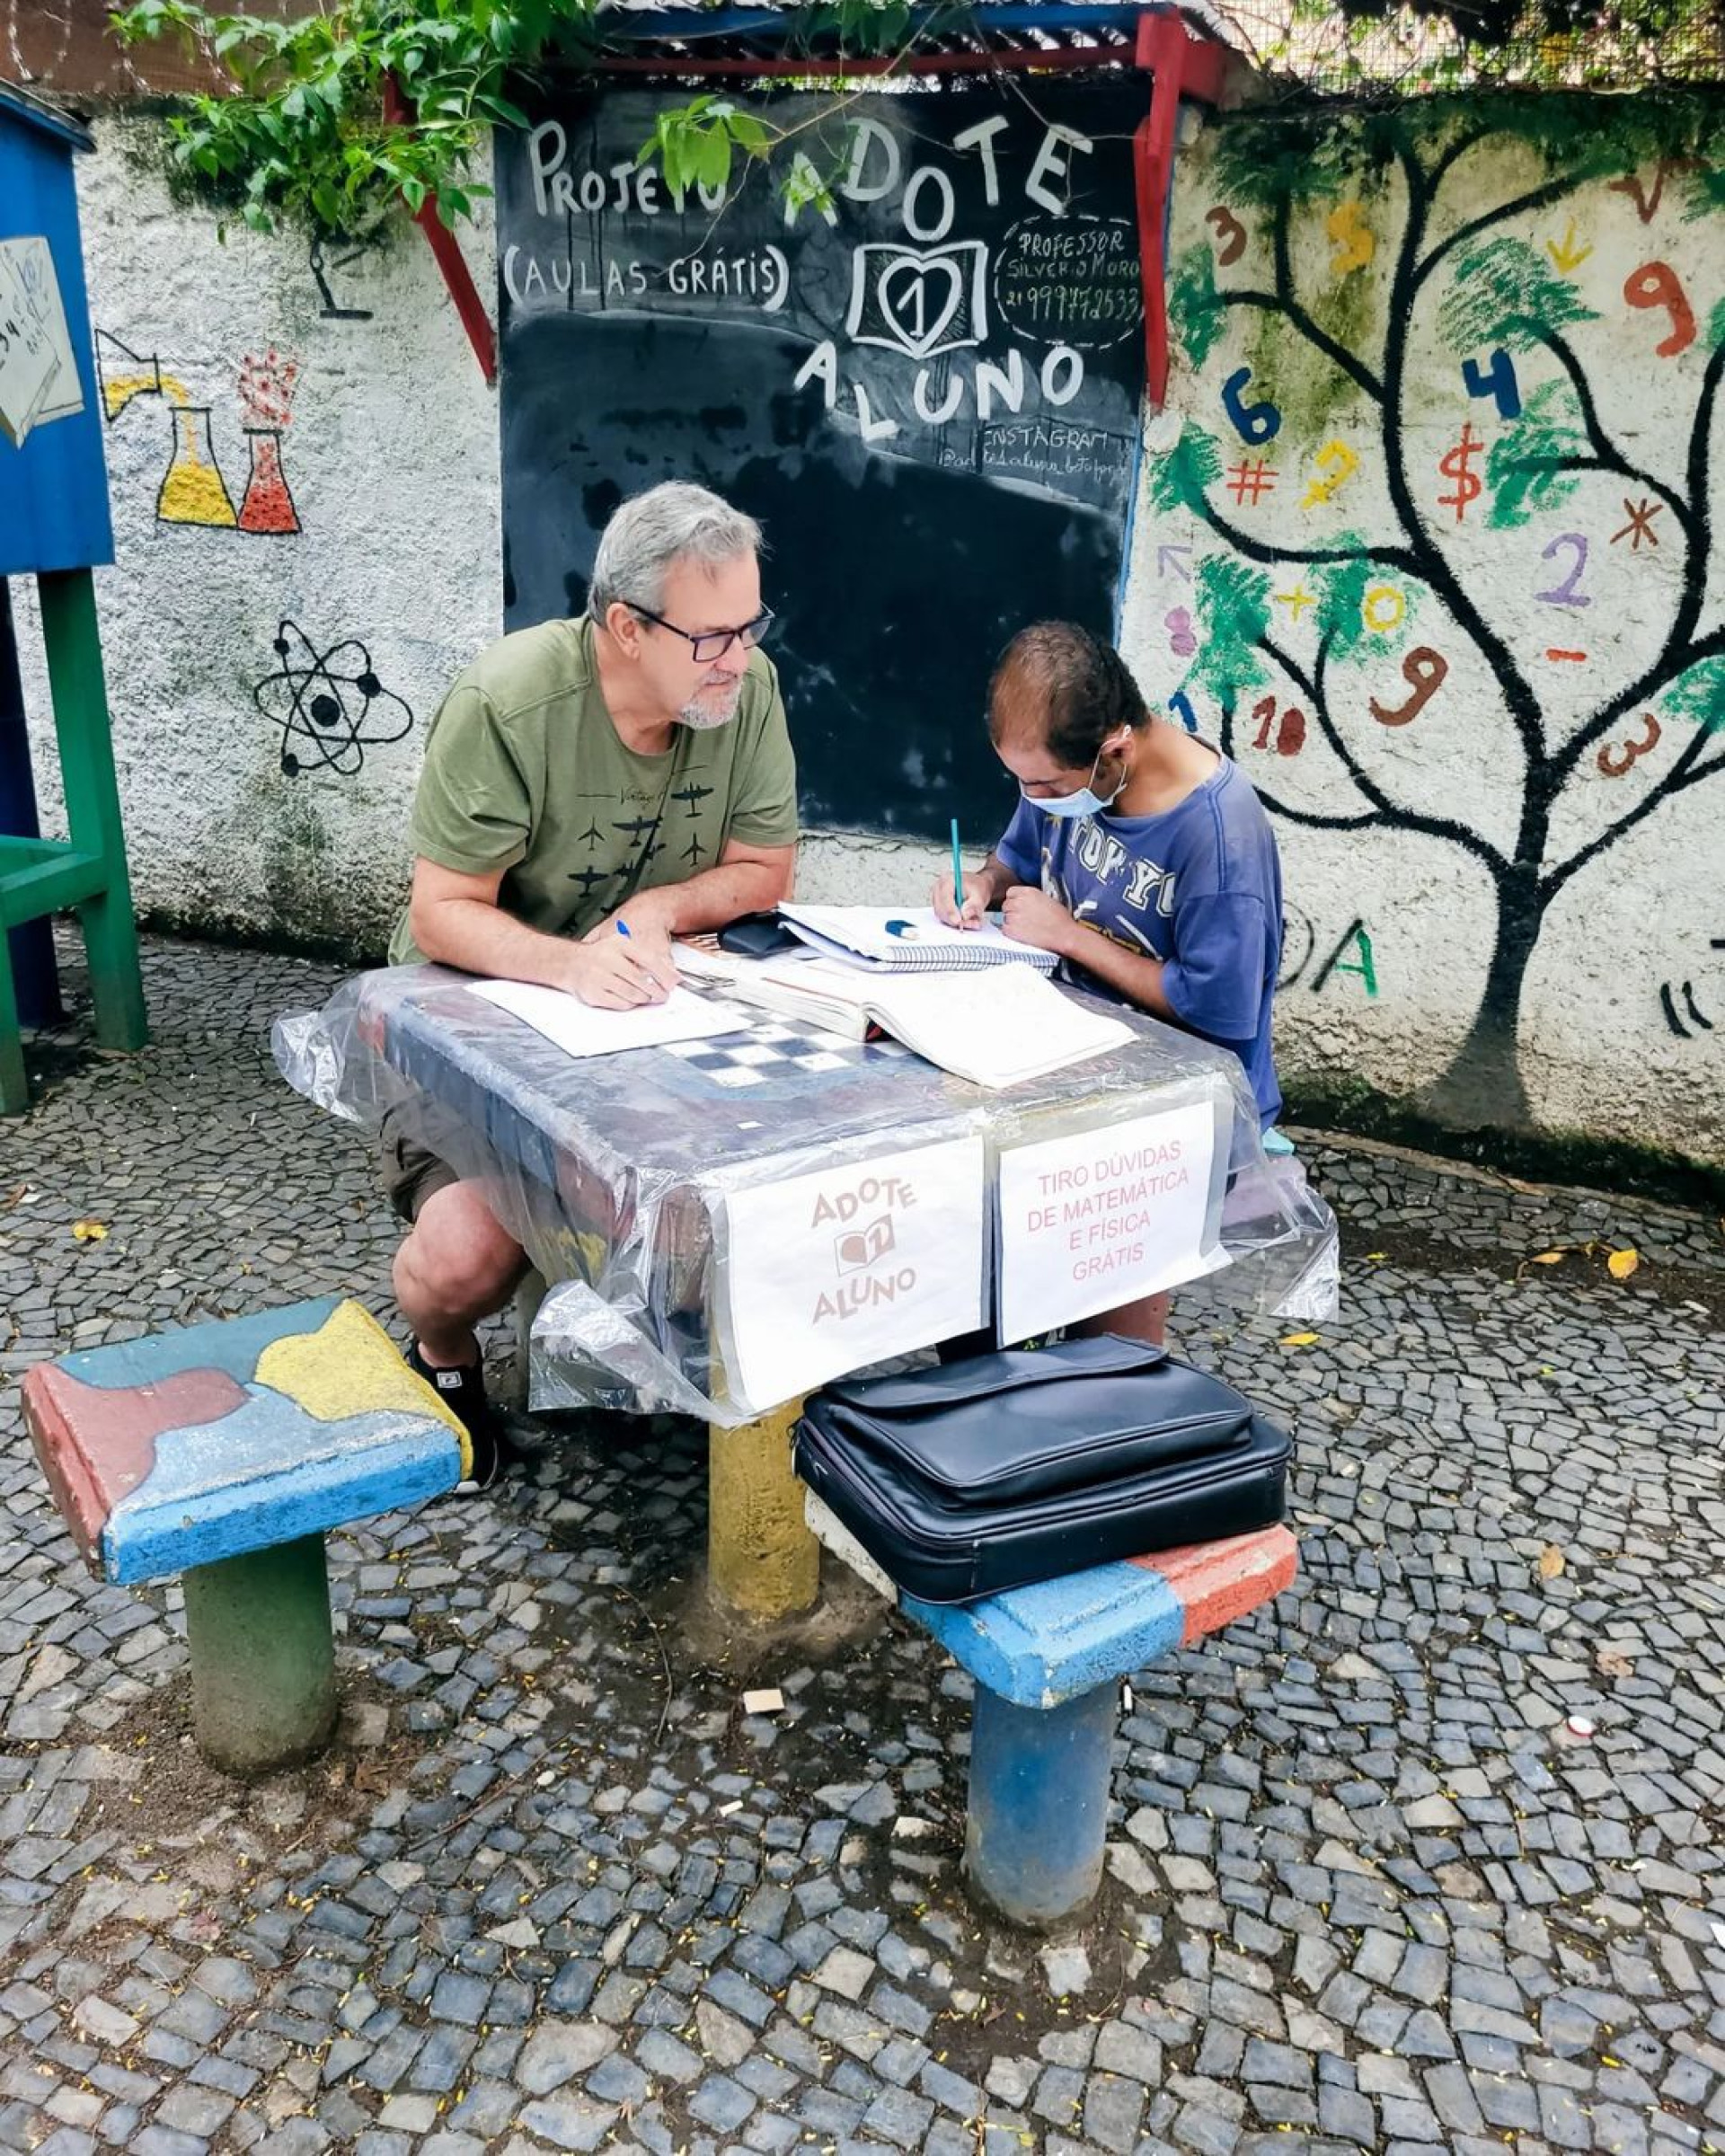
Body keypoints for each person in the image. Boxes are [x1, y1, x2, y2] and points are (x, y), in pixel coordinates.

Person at [383, 482, 798, 1483]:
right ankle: (442, 1356)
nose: (738, 659)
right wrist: (571, 963)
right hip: (479, 1018)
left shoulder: (749, 691)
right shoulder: (510, 702)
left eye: (750, 627)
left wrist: (651, 912)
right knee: (466, 1259)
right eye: (712, 638)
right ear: (624, 626)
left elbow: (765, 872)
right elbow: (442, 912)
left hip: (656, 1012)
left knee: (756, 1201)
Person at [933, 620, 1284, 1346]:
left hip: (1170, 1113)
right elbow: (1018, 858)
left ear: (1115, 750)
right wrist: (983, 881)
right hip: (1058, 1067)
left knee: (1107, 1351)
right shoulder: (1069, 779)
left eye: (1046, 785)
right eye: (1020, 782)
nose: (1033, 797)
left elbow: (1219, 1014)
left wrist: (1071, 938)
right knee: (978, 1304)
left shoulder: (1218, 833)